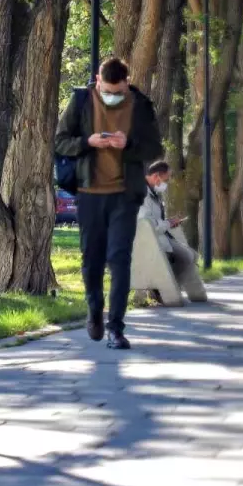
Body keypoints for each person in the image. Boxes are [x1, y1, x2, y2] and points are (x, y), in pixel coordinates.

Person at [55, 58, 163, 350]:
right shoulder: (80, 101)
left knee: (119, 258)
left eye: (118, 90)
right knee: (91, 259)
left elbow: (155, 147)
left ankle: (116, 328)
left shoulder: (140, 105)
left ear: (127, 82)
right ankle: (95, 312)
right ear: (97, 80)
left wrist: (127, 143)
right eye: (107, 89)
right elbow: (60, 141)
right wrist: (87, 142)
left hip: (124, 195)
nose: (113, 95)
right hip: (89, 192)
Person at [139, 161, 203, 299]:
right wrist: (168, 223)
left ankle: (168, 289)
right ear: (156, 176)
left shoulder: (152, 191)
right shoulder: (143, 194)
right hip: (151, 240)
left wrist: (169, 222)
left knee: (191, 255)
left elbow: (154, 219)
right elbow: (149, 225)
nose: (166, 183)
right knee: (187, 257)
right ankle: (164, 289)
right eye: (166, 179)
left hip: (159, 236)